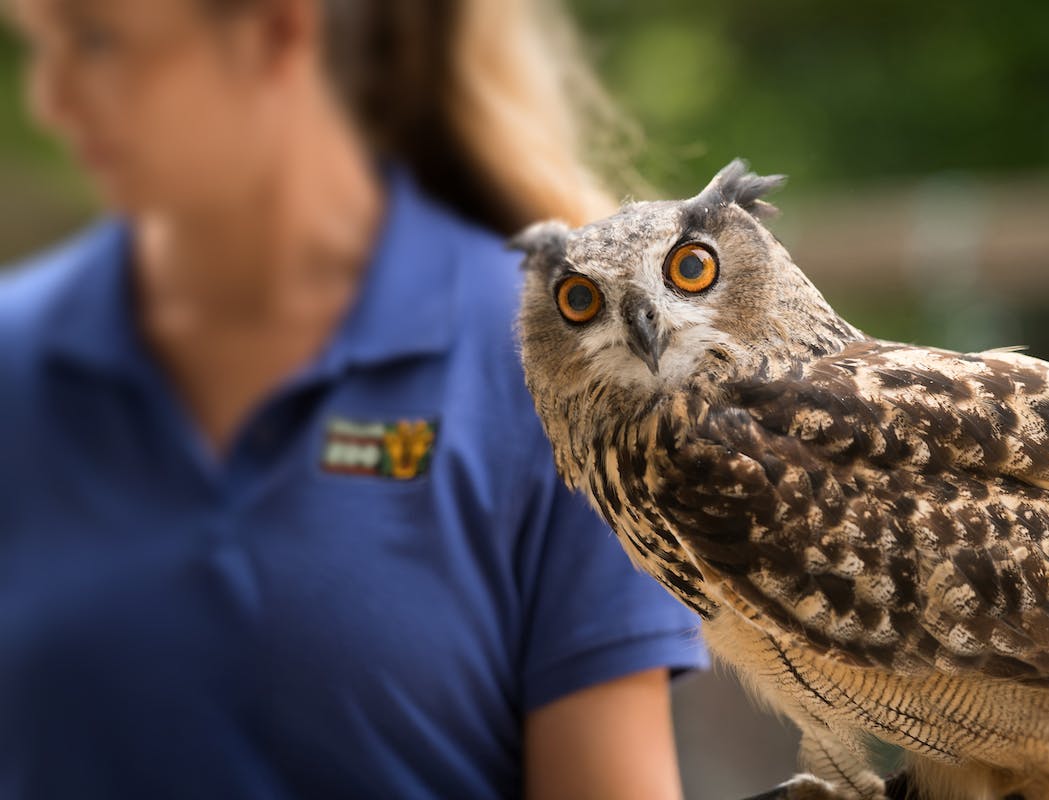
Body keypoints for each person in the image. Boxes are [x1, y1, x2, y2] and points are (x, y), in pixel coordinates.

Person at [0, 0, 706, 798]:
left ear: (276, 30)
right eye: (41, 45)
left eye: (95, 39)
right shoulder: (15, 367)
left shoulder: (562, 364)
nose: (49, 99)